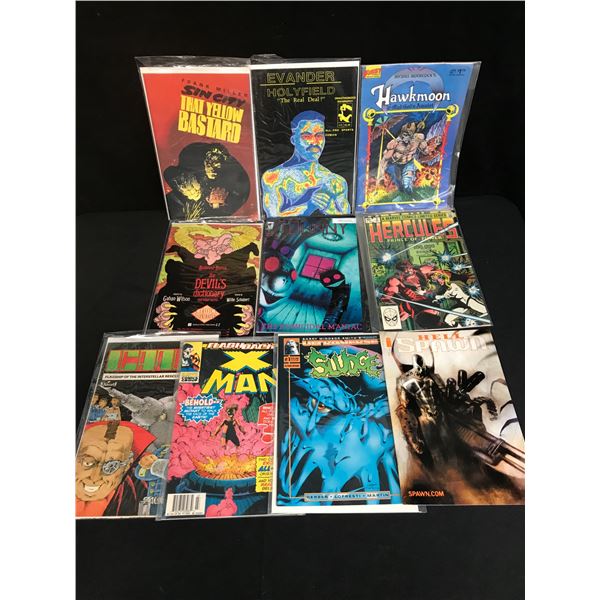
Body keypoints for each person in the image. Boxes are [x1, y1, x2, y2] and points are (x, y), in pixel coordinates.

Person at [261, 111, 349, 217]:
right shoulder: (274, 178)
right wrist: (309, 206)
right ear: (293, 140)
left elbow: (346, 221)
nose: (315, 142)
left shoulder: (337, 181)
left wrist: (331, 209)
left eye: (319, 136)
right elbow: (273, 218)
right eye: (307, 136)